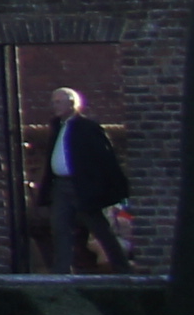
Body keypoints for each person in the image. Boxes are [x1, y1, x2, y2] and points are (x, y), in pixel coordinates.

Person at [36, 84, 135, 274]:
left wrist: (99, 186)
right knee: (60, 227)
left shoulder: (87, 127)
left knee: (99, 227)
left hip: (81, 186)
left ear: (72, 103)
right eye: (54, 102)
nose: (55, 105)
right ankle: (62, 271)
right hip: (61, 185)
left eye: (59, 102)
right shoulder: (57, 127)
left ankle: (121, 266)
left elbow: (103, 158)